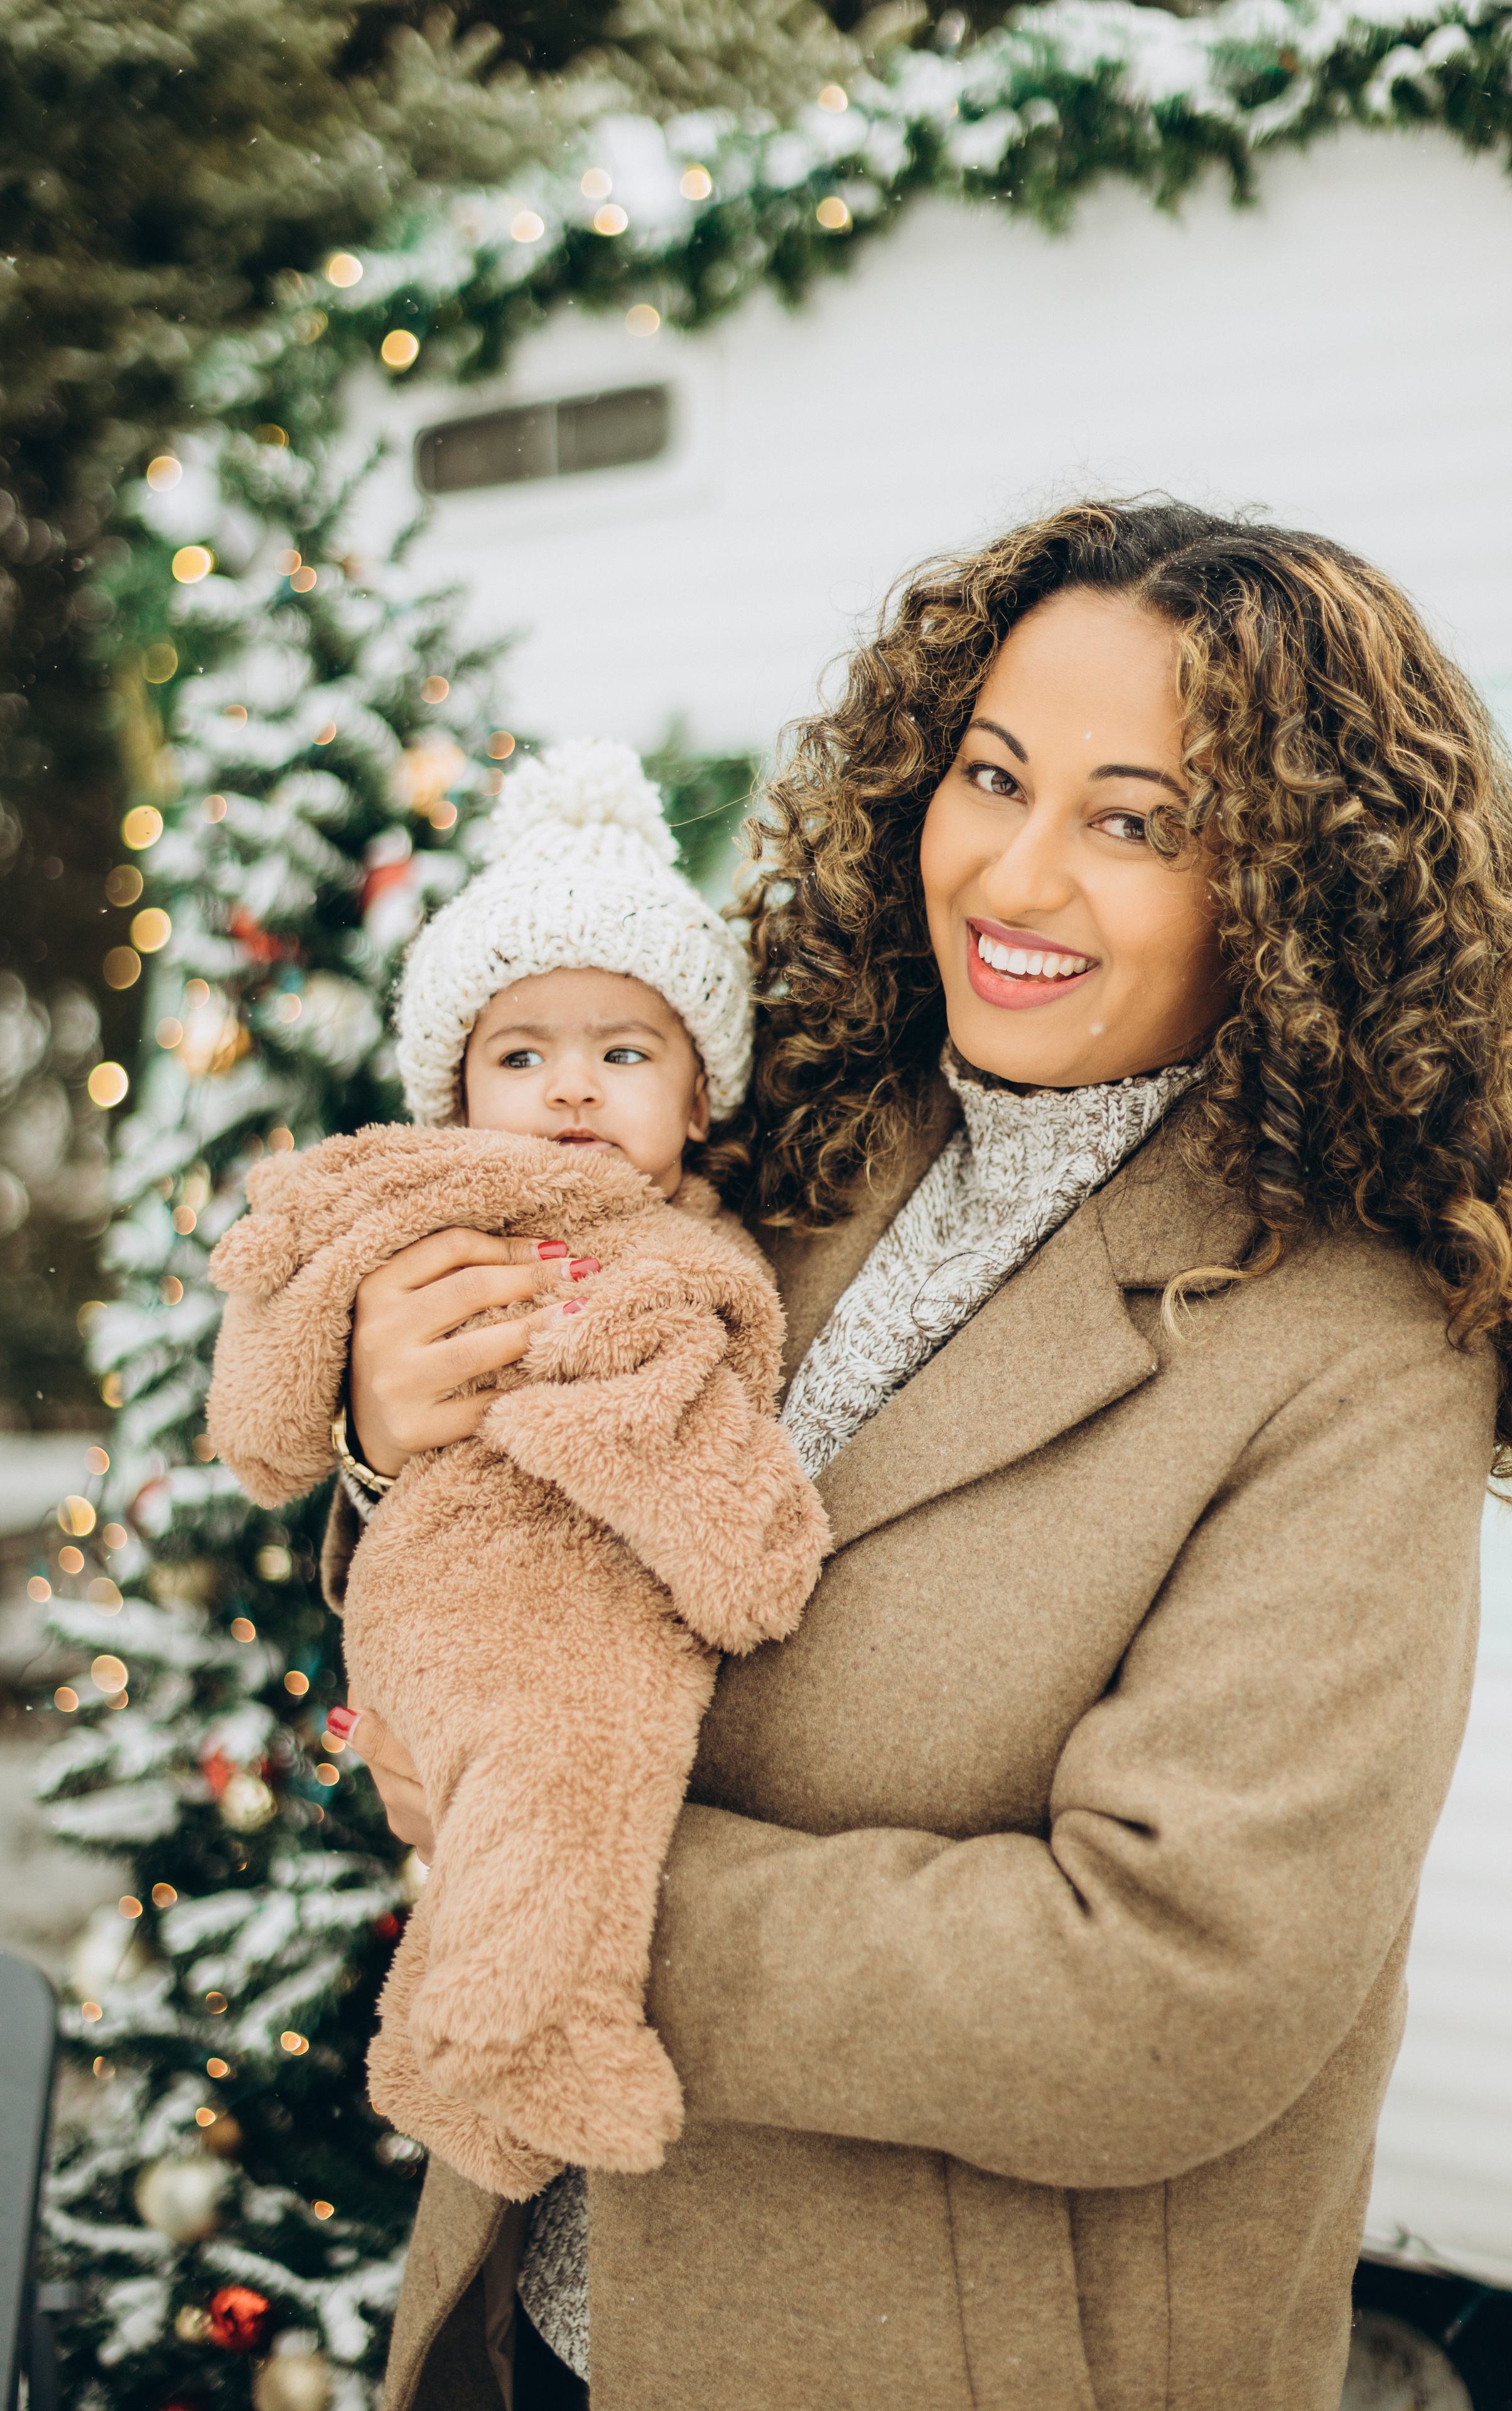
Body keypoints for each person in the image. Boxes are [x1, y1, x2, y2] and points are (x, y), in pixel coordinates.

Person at [331, 500, 1511, 2411]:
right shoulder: (790, 1146)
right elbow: (552, 1554)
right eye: (993, 778)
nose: (1017, 877)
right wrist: (406, 1431)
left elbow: (1160, 1996)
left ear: (1285, 888)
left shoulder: (1349, 1354)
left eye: (1135, 821)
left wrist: (560, 1868)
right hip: (535, 2299)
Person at [206, 742, 827, 2211]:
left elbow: (686, 1391)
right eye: (520, 1054)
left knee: (557, 1802)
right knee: (572, 1777)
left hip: (590, 1596)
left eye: (623, 1054)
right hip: (462, 1584)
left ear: (697, 1098)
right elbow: (277, 1363)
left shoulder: (700, 1248)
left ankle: (460, 2053)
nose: (568, 1093)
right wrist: (333, 1423)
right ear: (454, 1085)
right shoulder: (405, 1205)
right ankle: (531, 2039)